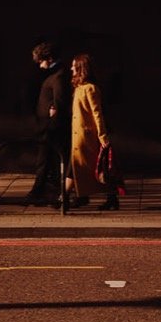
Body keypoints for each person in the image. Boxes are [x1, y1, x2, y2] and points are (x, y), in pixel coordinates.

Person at [66, 53, 120, 211]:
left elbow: (98, 114)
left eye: (74, 65)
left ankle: (65, 197)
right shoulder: (79, 87)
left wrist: (102, 136)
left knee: (98, 168)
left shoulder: (91, 88)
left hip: (88, 136)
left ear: (82, 68)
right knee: (77, 166)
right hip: (79, 135)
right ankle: (75, 197)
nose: (71, 68)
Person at [25, 42, 71, 205]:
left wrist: (52, 124)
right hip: (50, 126)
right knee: (48, 161)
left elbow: (60, 101)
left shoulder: (58, 76)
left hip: (52, 127)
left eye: (40, 61)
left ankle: (39, 192)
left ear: (49, 58)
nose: (40, 65)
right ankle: (46, 192)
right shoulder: (56, 74)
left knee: (45, 160)